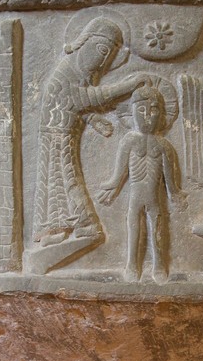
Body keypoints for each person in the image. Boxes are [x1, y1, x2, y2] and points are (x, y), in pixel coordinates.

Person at [33, 17, 147, 247]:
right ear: (84, 43)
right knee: (62, 179)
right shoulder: (62, 74)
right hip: (56, 137)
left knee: (64, 179)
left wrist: (93, 119)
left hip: (65, 134)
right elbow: (80, 98)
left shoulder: (75, 75)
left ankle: (67, 226)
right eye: (101, 51)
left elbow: (76, 103)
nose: (103, 61)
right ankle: (74, 225)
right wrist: (127, 85)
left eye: (109, 57)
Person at [98, 83, 185, 282]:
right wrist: (111, 188)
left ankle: (159, 266)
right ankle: (131, 265)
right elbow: (119, 174)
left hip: (155, 199)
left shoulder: (164, 145)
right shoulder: (128, 142)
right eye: (141, 110)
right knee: (134, 229)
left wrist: (175, 194)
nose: (147, 116)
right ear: (132, 113)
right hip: (135, 198)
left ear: (162, 115)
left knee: (157, 230)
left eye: (154, 110)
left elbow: (169, 178)